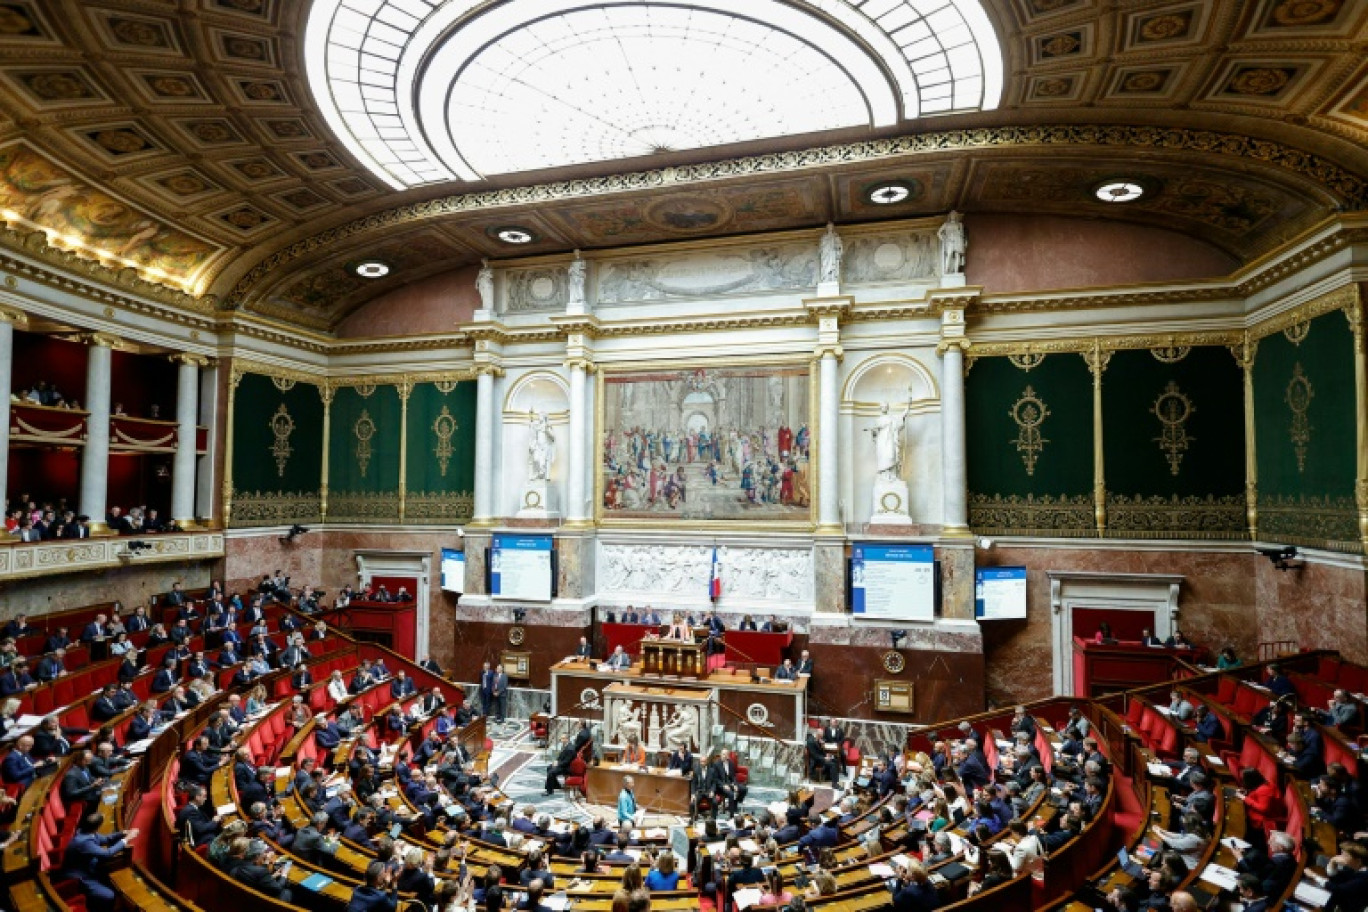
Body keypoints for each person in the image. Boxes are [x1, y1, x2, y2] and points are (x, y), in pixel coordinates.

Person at [62, 813, 137, 912]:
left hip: (88, 868)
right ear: (97, 827)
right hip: (80, 878)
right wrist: (126, 839)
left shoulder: (87, 831)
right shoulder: (84, 842)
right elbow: (107, 853)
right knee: (109, 895)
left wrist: (123, 832)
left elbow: (106, 839)